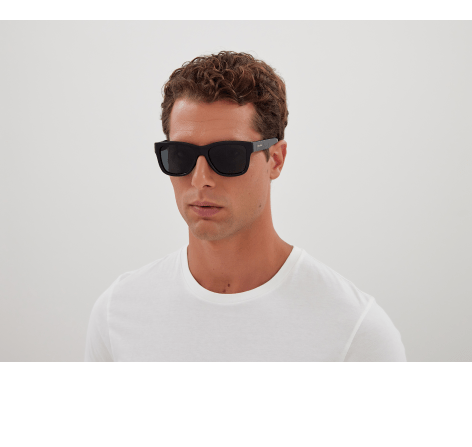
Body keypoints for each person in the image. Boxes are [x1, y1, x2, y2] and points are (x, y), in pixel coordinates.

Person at [84, 51, 407, 362]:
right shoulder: (118, 313)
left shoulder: (354, 331)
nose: (200, 180)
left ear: (275, 160)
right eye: (180, 155)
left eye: (228, 155)